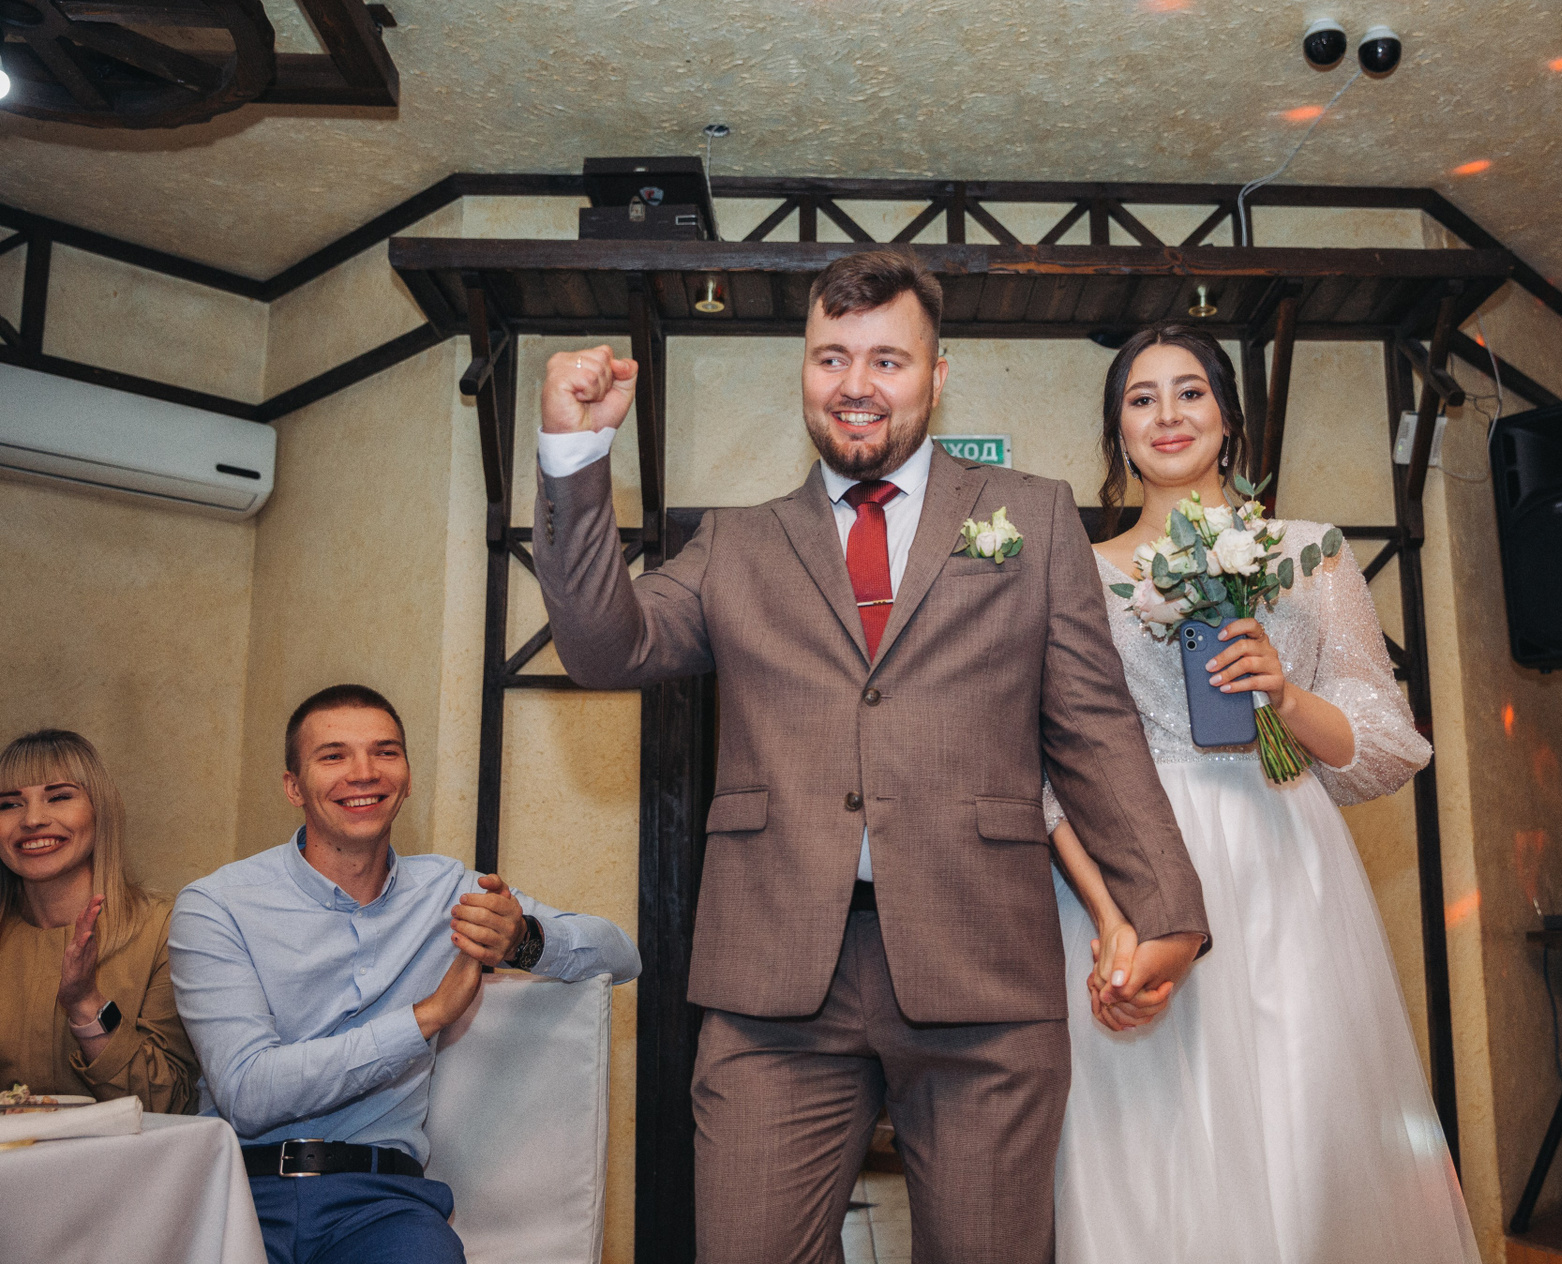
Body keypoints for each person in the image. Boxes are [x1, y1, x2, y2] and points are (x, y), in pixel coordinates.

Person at [532, 248, 1210, 1264]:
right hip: (772, 985)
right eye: (831, 358)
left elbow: (1094, 730)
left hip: (985, 975)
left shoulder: (1031, 516)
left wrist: (1169, 911)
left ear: (937, 376)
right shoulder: (734, 544)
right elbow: (603, 648)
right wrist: (572, 454)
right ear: (805, 370)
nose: (856, 384)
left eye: (887, 360)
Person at [1044, 324, 1478, 1263]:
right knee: (1151, 1138)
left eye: (1191, 391)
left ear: (1230, 419)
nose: (1168, 415)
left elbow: (1386, 742)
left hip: (1286, 861)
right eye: (1141, 398)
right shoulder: (1077, 573)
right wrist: (1111, 912)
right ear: (1118, 432)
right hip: (1142, 866)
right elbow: (1050, 771)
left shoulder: (1312, 553)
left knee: (1305, 1124)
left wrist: (1286, 695)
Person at [169, 684, 640, 1264]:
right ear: (293, 786)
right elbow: (247, 1091)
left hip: (382, 1203)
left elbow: (622, 955)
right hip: (241, 1192)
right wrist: (425, 1018)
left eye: (385, 752)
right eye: (334, 755)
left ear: (408, 777)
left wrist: (523, 939)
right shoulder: (216, 905)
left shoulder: (447, 893)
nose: (364, 772)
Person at [0, 729, 198, 1112]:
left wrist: (86, 1005)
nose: (33, 819)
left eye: (59, 797)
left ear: (100, 810)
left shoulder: (166, 928)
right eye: (9, 804)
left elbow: (170, 1105)